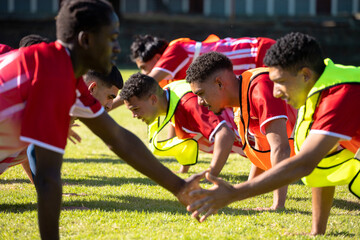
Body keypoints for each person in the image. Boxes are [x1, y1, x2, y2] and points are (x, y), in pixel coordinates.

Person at [0, 1, 203, 239]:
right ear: (86, 40)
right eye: (112, 38)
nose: (117, 48)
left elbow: (118, 138)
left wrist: (179, 187)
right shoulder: (51, 76)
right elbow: (47, 179)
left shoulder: (61, 72)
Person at [186, 32, 360, 235]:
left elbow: (304, 163)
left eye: (280, 82)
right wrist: (317, 233)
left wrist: (234, 193)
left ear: (305, 75)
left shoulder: (340, 93)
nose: (275, 92)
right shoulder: (320, 93)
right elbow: (322, 168)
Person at [185, 51, 297, 210]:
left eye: (201, 93)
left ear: (219, 83)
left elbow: (280, 148)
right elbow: (263, 149)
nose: (200, 102)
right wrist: (243, 191)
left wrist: (277, 205)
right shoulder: (243, 94)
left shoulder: (260, 86)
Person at [120, 73, 245, 175]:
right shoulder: (169, 93)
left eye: (135, 109)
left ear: (153, 99)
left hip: (256, 136)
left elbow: (225, 135)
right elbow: (189, 138)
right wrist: (183, 171)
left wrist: (211, 175)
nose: (134, 116)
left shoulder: (189, 104)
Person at [111, 34, 276, 109]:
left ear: (156, 58)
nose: (145, 73)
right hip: (256, 60)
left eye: (143, 68)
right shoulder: (175, 75)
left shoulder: (175, 51)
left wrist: (109, 106)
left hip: (260, 52)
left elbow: (146, 83)